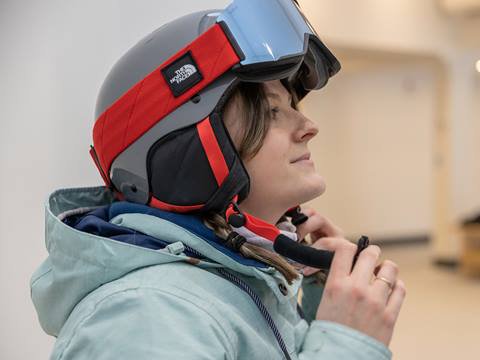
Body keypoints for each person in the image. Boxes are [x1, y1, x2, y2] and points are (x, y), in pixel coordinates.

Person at [31, 1, 406, 359]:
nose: (309, 127)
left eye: (293, 107)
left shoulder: (235, 278)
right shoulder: (151, 315)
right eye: (274, 111)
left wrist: (324, 305)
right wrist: (345, 345)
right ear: (187, 154)